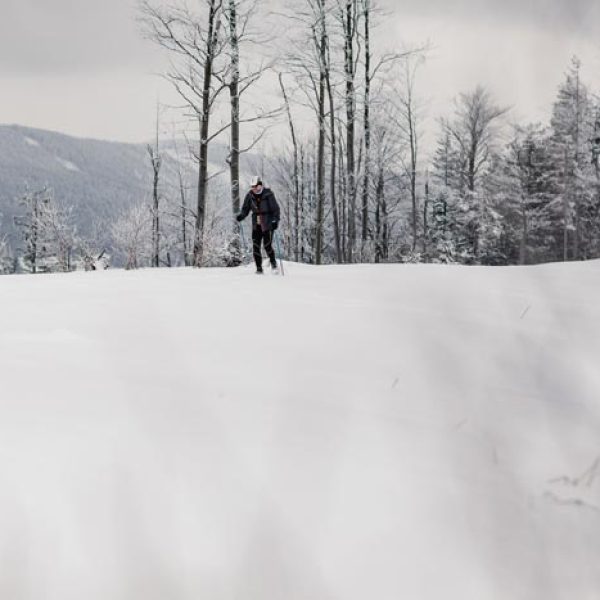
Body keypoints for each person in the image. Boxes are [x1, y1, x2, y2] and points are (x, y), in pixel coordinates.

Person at [236, 176, 281, 273]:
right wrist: (241, 216)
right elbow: (245, 209)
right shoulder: (249, 196)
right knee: (256, 245)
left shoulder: (268, 194)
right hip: (256, 223)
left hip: (267, 223)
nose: (254, 189)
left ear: (260, 185)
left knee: (267, 245)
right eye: (252, 187)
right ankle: (259, 268)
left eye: (255, 186)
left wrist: (275, 221)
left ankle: (273, 264)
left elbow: (275, 209)